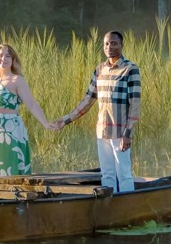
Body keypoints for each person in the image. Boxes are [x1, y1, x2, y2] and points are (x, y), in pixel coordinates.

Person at [58, 30, 142, 193]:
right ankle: (109, 208)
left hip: (120, 132)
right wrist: (66, 120)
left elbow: (135, 104)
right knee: (107, 174)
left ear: (121, 45)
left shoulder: (130, 69)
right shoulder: (99, 70)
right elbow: (88, 100)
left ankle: (127, 208)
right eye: (106, 44)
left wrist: (128, 133)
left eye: (114, 43)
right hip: (102, 131)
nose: (110, 47)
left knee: (123, 173)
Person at [0, 43, 58, 178]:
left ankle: (12, 196)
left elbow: (31, 104)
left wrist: (45, 123)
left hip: (10, 130)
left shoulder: (17, 80)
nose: (4, 59)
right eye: (1, 55)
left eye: (8, 56)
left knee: (8, 166)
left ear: (13, 61)